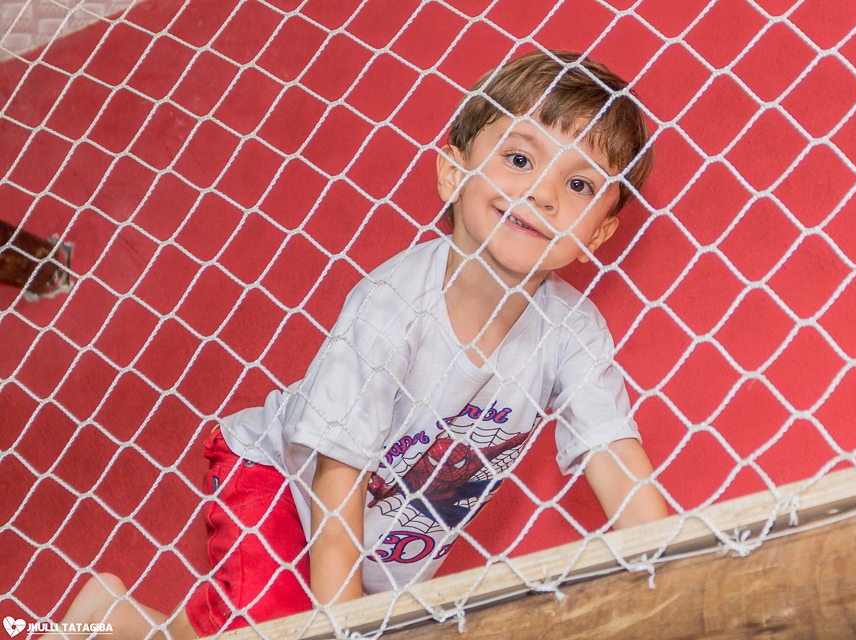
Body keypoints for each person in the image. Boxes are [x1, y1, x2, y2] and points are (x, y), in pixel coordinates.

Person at [44, 49, 667, 640]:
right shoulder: (392, 306)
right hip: (287, 478)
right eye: (520, 160)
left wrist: (686, 566)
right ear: (452, 172)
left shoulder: (572, 331)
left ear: (604, 230)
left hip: (385, 540)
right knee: (276, 623)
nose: (544, 195)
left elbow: (616, 464)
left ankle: (118, 620)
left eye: (581, 186)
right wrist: (345, 623)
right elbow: (336, 481)